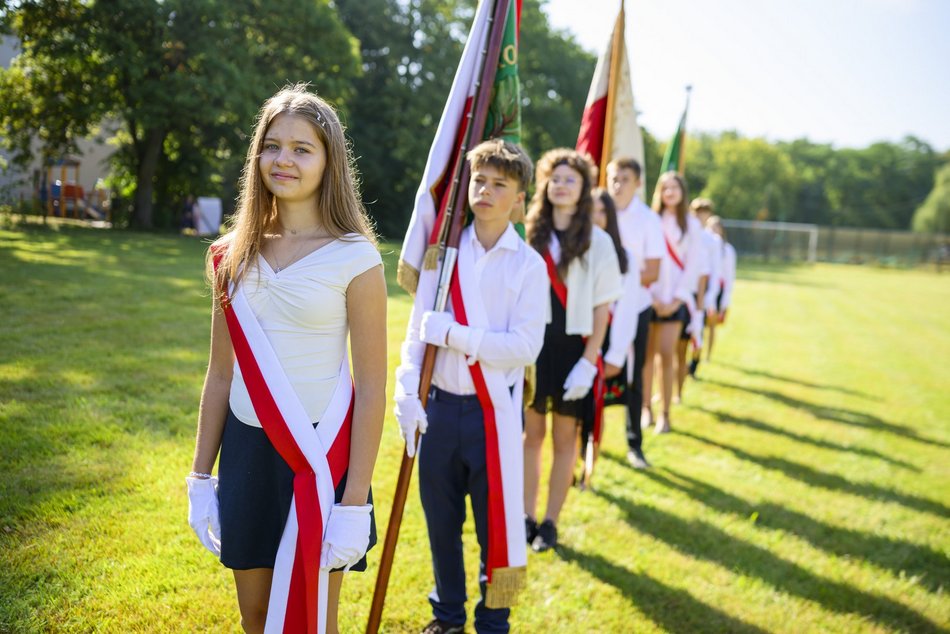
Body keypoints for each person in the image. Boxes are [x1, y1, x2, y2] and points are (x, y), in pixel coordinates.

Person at [186, 84, 387, 634]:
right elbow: (221, 373)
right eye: (273, 146)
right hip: (248, 447)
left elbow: (372, 387)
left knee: (314, 616)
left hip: (321, 456)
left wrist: (353, 504)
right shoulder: (231, 253)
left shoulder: (356, 256)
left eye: (303, 148)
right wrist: (201, 477)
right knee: (255, 614)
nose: (284, 159)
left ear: (329, 162)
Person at [394, 139, 546, 634]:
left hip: (493, 414)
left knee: (495, 525)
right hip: (438, 407)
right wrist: (405, 393)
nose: (485, 190)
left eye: (500, 184)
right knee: (440, 521)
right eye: (479, 179)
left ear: (520, 198)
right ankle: (448, 614)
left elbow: (524, 347)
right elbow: (419, 331)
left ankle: (495, 616)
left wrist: (455, 335)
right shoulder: (443, 254)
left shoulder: (528, 266)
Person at [524, 149, 623, 552]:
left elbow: (604, 307)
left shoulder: (597, 241)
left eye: (571, 180)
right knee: (531, 437)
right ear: (545, 183)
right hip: (533, 347)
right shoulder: (528, 232)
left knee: (565, 440)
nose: (562, 185)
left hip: (574, 350)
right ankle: (526, 517)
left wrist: (589, 361)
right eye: (556, 178)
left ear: (583, 190)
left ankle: (550, 522)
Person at [604, 158, 663, 468]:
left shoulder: (649, 220)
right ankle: (589, 440)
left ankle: (634, 444)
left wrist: (619, 281)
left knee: (634, 375)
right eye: (613, 177)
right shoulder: (599, 212)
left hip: (635, 306)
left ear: (637, 183)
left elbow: (653, 270)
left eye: (624, 179)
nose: (617, 184)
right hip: (600, 306)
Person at [642, 171, 703, 434]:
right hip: (649, 298)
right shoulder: (650, 220)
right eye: (664, 188)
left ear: (682, 192)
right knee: (646, 357)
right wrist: (653, 296)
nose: (669, 192)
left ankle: (665, 413)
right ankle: (646, 409)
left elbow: (694, 265)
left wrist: (676, 298)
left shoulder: (691, 224)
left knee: (667, 354)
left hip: (676, 300)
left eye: (674, 188)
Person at [579, 188, 632, 485]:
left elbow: (625, 312)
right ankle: (576, 462)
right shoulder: (577, 249)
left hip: (607, 341)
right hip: (578, 337)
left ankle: (589, 469)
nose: (595, 218)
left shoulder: (626, 258)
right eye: (590, 211)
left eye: (602, 212)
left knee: (596, 410)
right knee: (575, 409)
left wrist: (615, 356)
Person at [686, 198, 722, 377]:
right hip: (685, 290)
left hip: (702, 293)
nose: (701, 215)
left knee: (698, 330)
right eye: (697, 211)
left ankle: (694, 363)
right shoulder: (686, 233)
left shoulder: (712, 240)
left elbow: (715, 272)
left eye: (704, 212)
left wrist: (710, 298)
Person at [705, 215, 736, 360]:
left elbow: (729, 276)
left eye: (716, 228)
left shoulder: (728, 251)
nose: (714, 231)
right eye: (711, 228)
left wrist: (725, 301)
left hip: (718, 290)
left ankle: (708, 355)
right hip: (703, 287)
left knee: (711, 325)